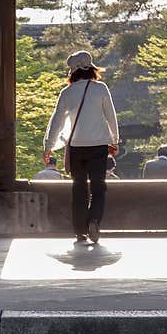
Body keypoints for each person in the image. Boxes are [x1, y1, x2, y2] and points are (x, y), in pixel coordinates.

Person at [43, 50, 119, 244]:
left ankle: (80, 231)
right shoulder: (101, 88)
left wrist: (48, 146)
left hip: (77, 146)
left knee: (78, 188)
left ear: (72, 71)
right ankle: (94, 219)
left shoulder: (67, 92)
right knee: (98, 186)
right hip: (99, 146)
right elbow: (111, 115)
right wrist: (115, 140)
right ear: (92, 69)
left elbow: (57, 121)